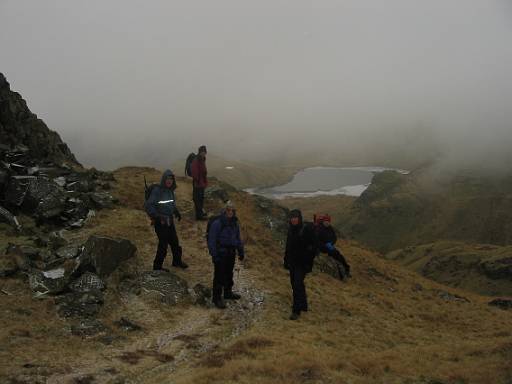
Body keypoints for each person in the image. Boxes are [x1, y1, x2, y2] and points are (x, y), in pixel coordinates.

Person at [145, 169, 188, 271]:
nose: (169, 181)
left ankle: (177, 261)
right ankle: (157, 266)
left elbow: (170, 203)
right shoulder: (157, 191)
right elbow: (149, 205)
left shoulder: (170, 191)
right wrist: (157, 216)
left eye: (171, 179)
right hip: (160, 222)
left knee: (174, 242)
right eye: (167, 179)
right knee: (163, 244)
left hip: (169, 220)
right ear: (164, 179)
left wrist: (176, 211)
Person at [207, 201, 245, 309]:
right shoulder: (218, 223)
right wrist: (214, 255)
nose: (230, 212)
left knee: (229, 273)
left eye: (232, 210)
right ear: (224, 210)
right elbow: (212, 240)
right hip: (221, 253)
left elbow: (237, 238)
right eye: (228, 210)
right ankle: (217, 298)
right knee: (219, 276)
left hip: (231, 253)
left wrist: (241, 251)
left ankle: (228, 292)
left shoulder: (234, 223)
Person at [284, 209, 317, 320]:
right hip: (293, 262)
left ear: (299, 218)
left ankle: (296, 310)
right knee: (295, 284)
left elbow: (313, 247)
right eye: (292, 217)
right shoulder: (291, 230)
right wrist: (286, 260)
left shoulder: (305, 230)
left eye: (296, 217)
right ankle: (303, 305)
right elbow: (288, 246)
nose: (293, 219)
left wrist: (309, 262)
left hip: (302, 264)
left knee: (297, 284)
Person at [191, 145, 208, 220]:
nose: (203, 153)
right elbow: (195, 172)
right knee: (197, 199)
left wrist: (204, 182)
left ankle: (200, 213)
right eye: (202, 152)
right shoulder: (197, 160)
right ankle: (199, 216)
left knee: (200, 199)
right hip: (198, 184)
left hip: (201, 183)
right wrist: (198, 181)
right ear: (200, 152)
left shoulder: (202, 159)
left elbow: (204, 172)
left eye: (204, 152)